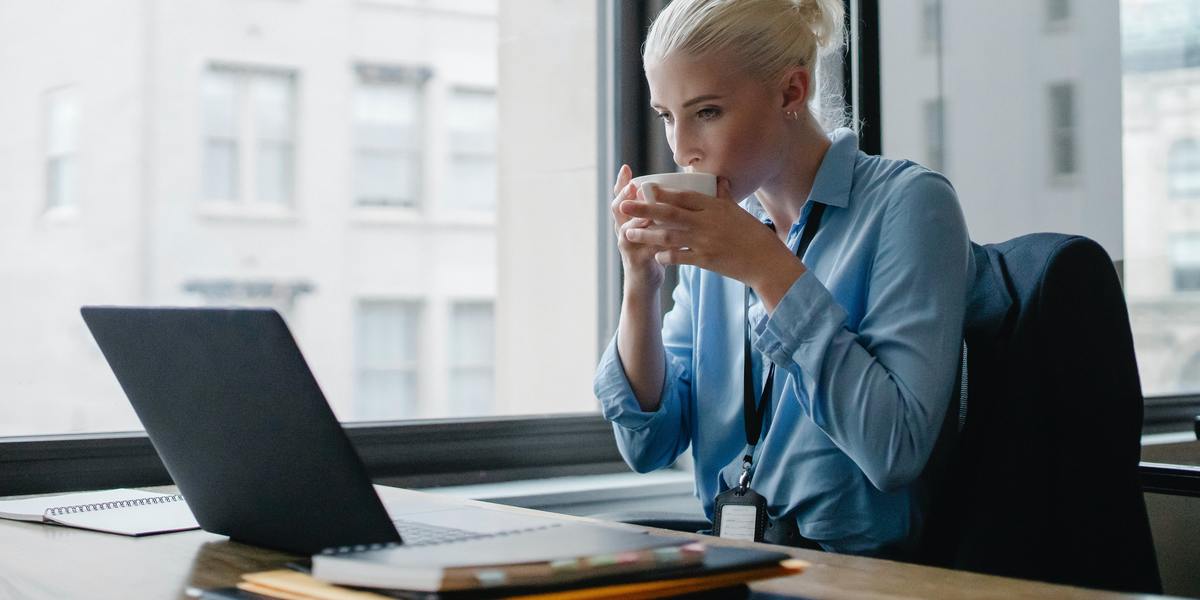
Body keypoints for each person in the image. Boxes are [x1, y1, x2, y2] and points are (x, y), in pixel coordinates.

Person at [593, 0, 974, 558]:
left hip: (862, 577)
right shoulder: (725, 228)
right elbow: (646, 443)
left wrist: (767, 269)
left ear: (792, 92)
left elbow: (895, 450)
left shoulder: (910, 205)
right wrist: (640, 285)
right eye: (667, 116)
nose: (681, 149)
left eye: (707, 112)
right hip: (735, 562)